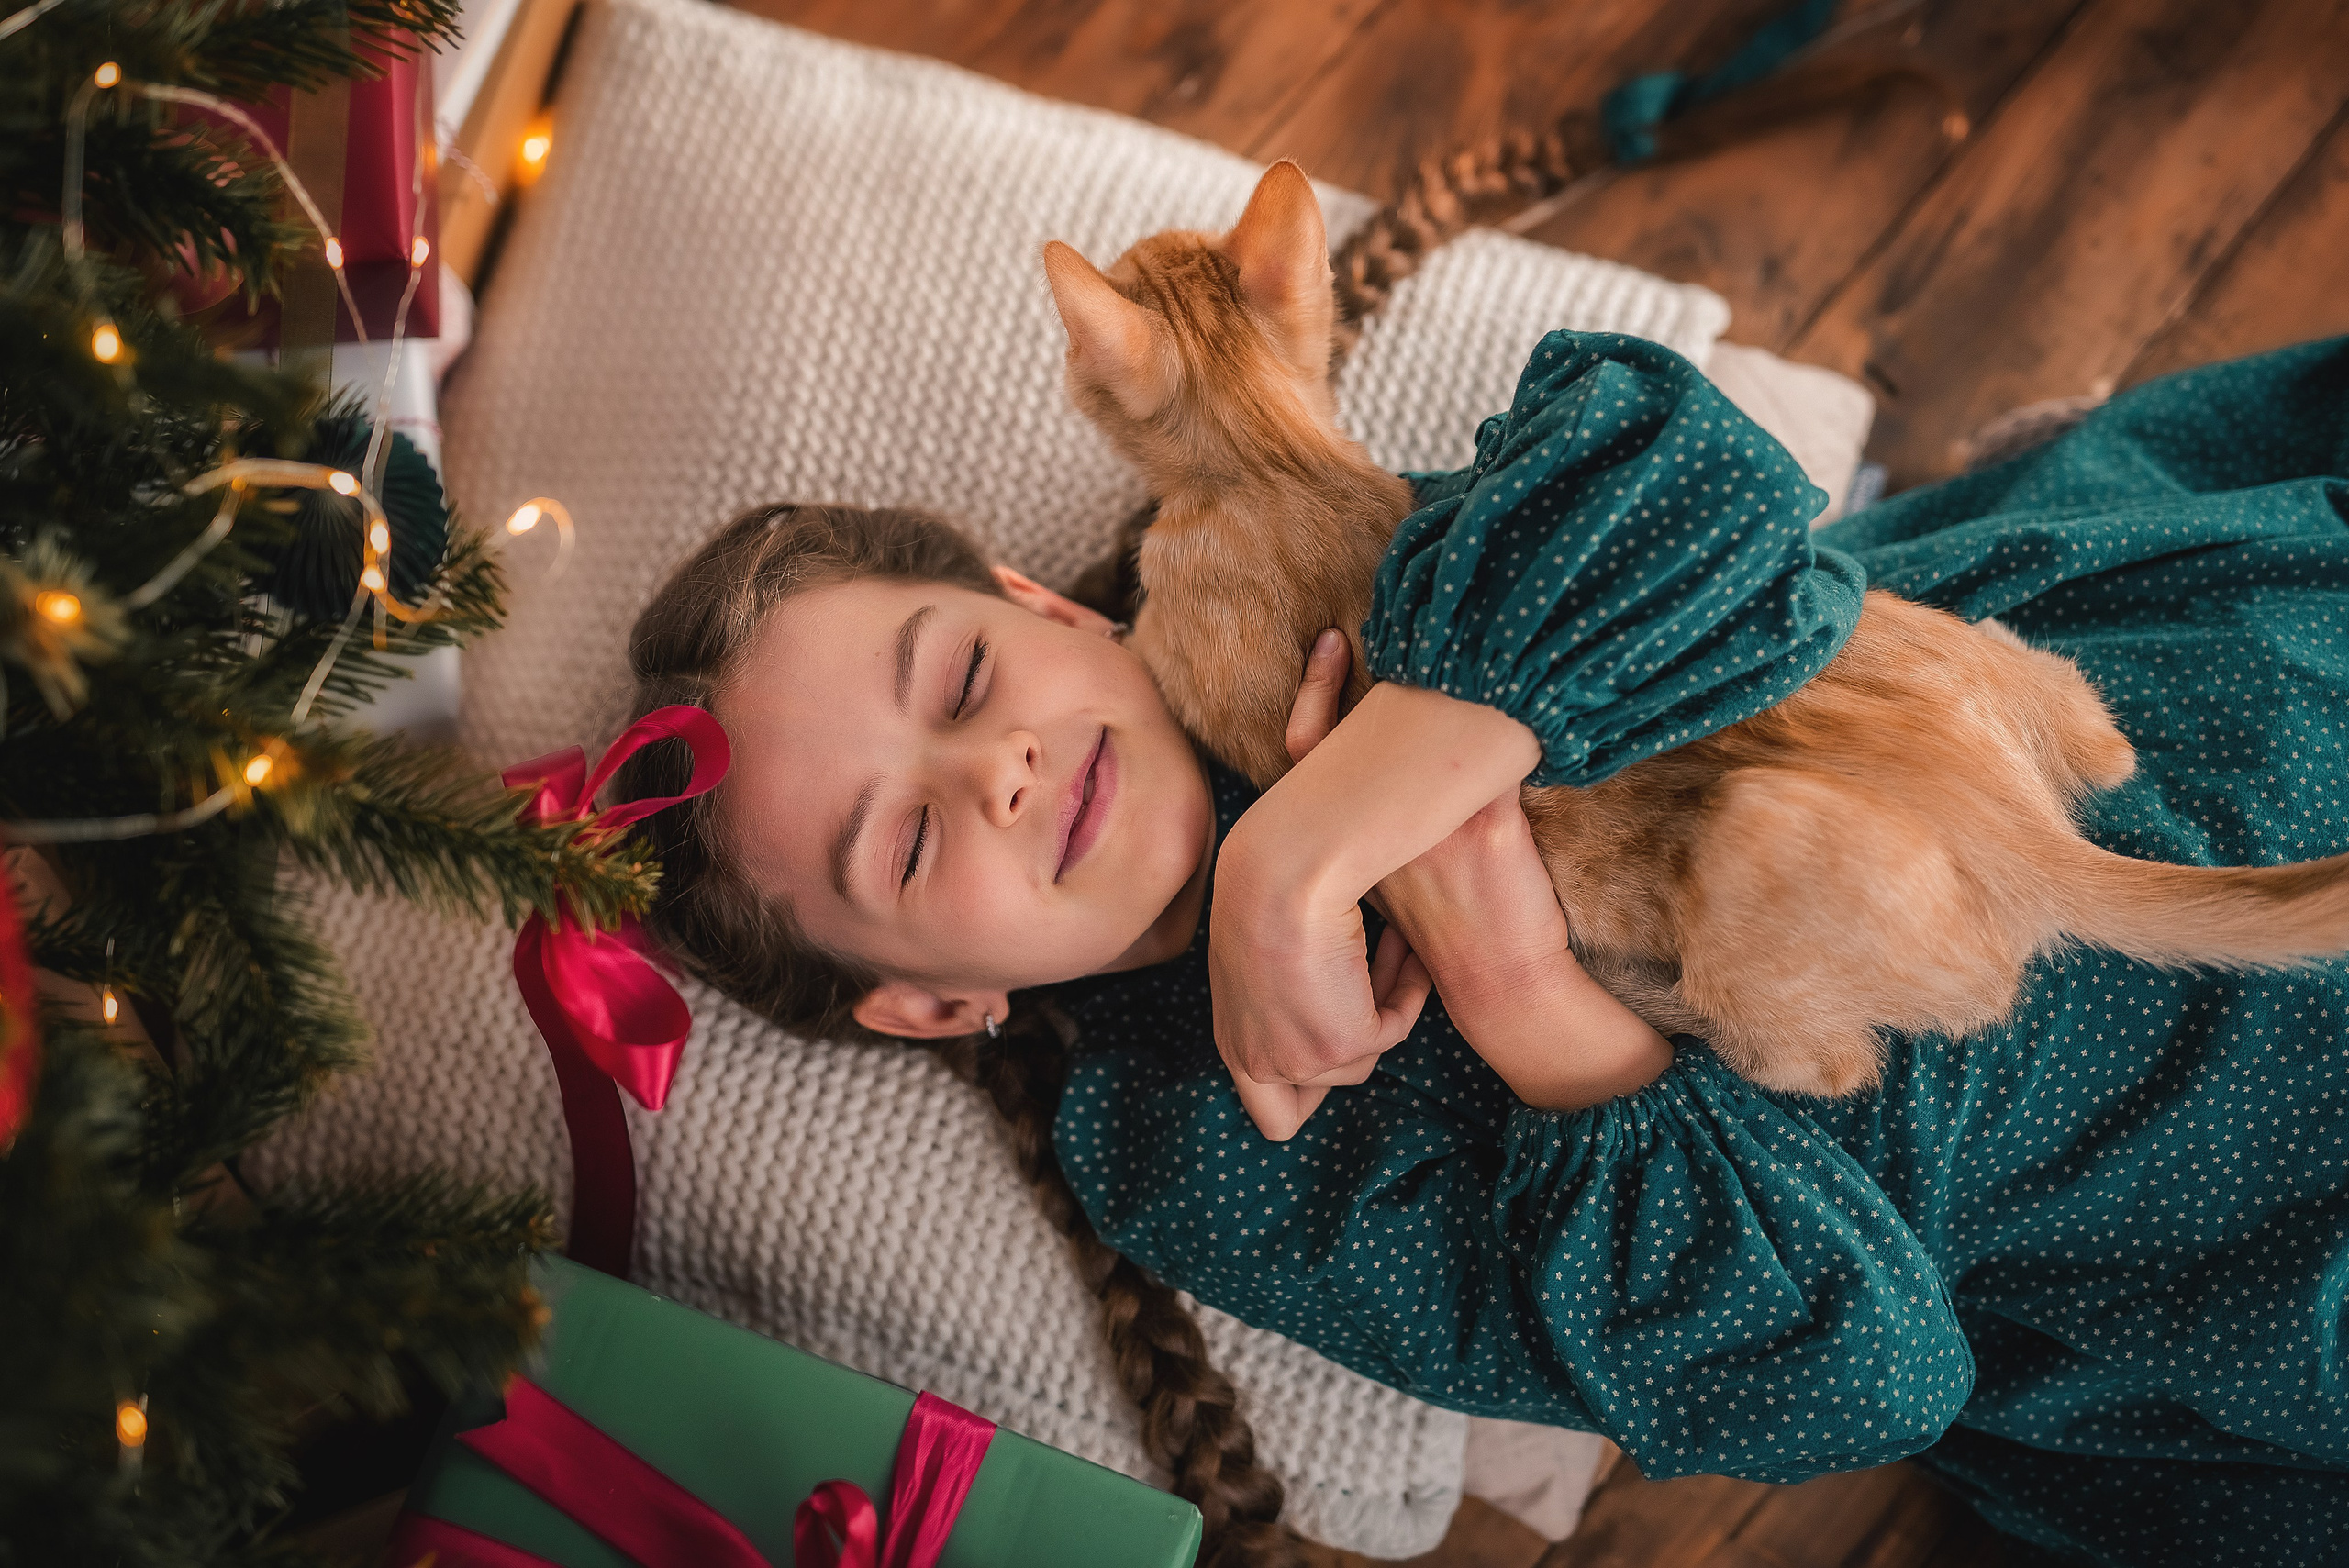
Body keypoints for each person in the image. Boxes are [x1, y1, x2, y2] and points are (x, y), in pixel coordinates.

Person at [618, 332, 2349, 1567]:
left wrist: (1303, 851)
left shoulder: (1267, 563)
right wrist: (1513, 980)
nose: (992, 772)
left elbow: (1694, 472)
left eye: (965, 679)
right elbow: (1859, 1377)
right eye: (909, 843)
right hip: (2192, 1192)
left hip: (2167, 722)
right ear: (936, 998)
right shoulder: (1200, 1144)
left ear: (1048, 607)